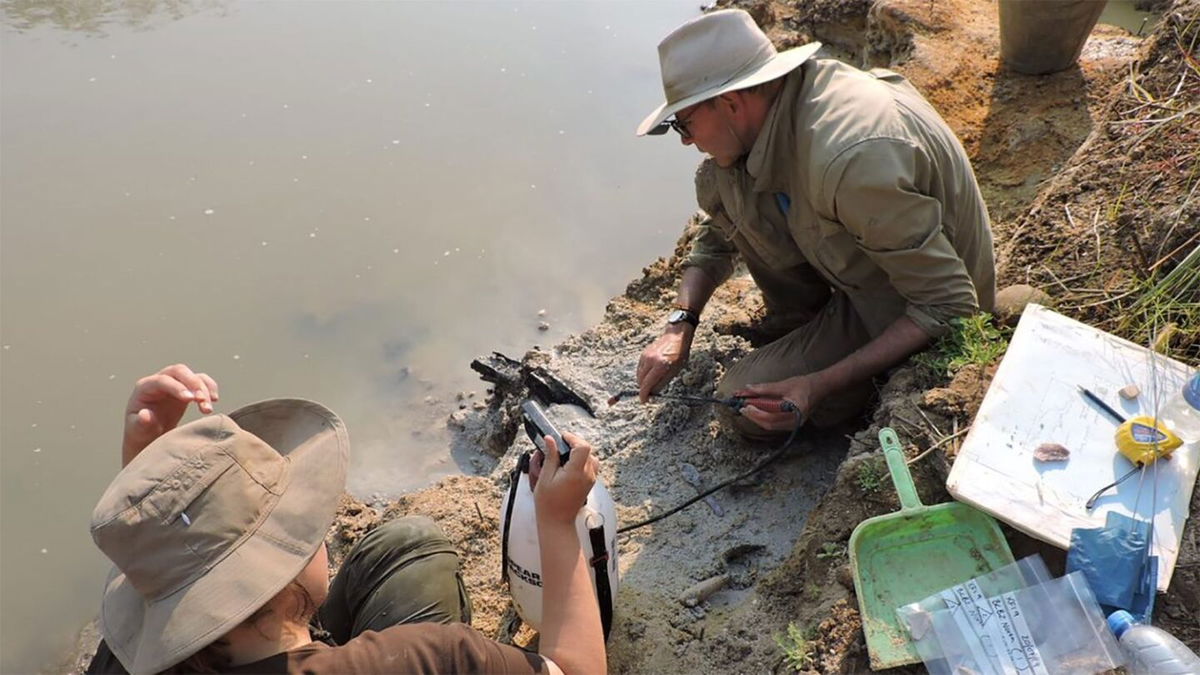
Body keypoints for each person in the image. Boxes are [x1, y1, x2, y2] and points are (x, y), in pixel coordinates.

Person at [85, 363, 606, 674]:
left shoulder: (125, 663)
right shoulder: (427, 660)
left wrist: (152, 476)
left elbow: (173, 561)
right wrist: (557, 524)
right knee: (420, 548)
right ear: (281, 567)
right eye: (301, 525)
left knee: (405, 545)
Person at [635, 9, 996, 438]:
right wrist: (681, 324)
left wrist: (816, 385)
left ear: (731, 102)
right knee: (723, 179)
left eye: (685, 122)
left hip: (919, 308)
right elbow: (719, 232)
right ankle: (806, 325)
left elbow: (949, 303)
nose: (686, 140)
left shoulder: (849, 157)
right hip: (875, 266)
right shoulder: (779, 109)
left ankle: (856, 385)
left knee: (740, 405)